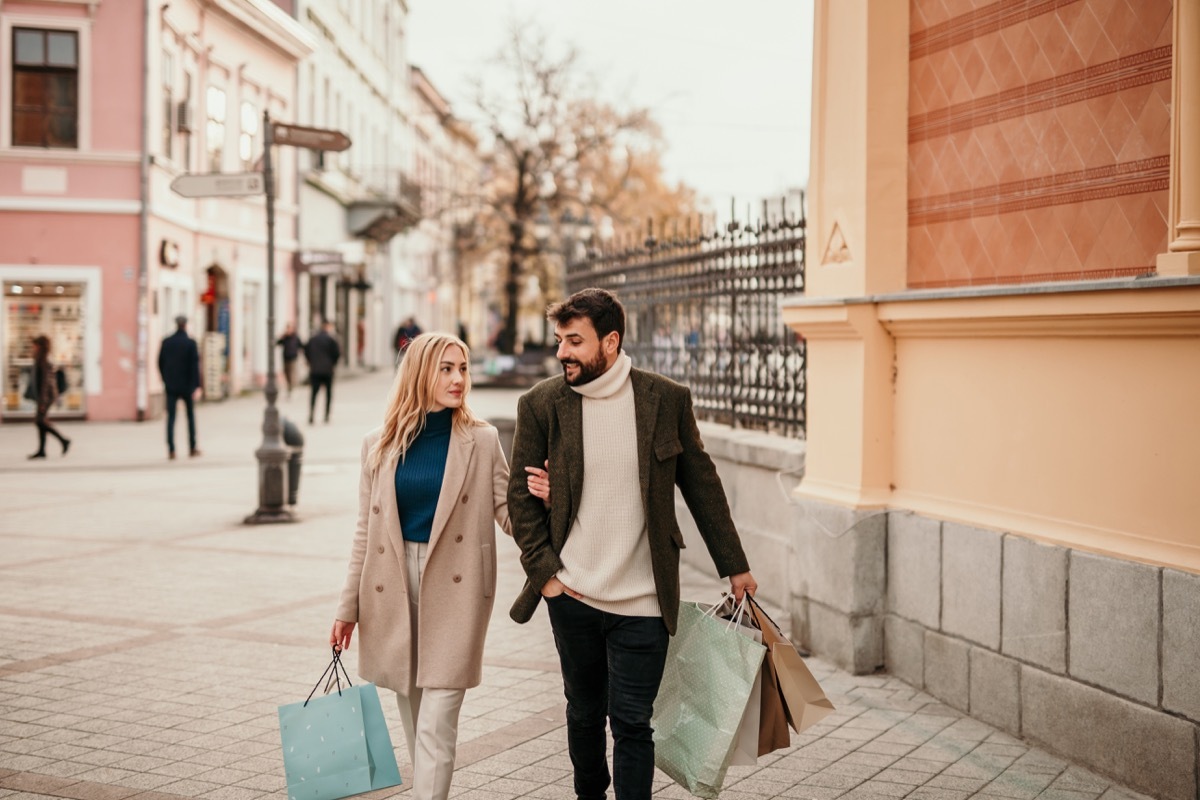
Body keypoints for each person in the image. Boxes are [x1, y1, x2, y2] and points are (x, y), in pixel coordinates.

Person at [506, 287, 757, 800]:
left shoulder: (665, 400)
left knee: (633, 722)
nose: (561, 353)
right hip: (571, 593)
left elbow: (702, 486)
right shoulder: (542, 405)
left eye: (574, 341)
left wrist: (735, 567)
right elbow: (519, 499)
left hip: (645, 596)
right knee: (582, 710)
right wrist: (548, 575)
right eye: (559, 341)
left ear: (611, 341)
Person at [329, 332, 550, 800]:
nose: (458, 379)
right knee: (415, 720)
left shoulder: (483, 440)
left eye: (463, 368)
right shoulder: (379, 444)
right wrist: (347, 606)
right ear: (419, 374)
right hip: (391, 585)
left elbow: (508, 515)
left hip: (457, 587)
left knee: (437, 720)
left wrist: (546, 501)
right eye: (446, 369)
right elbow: (364, 532)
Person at [158, 315, 202, 460]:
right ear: (185, 325)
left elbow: (160, 363)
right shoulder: (190, 343)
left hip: (171, 385)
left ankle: (171, 449)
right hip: (187, 386)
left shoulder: (167, 342)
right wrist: (197, 385)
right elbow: (195, 366)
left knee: (171, 418)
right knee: (190, 417)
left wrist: (165, 379)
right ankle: (192, 447)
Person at [26, 335, 70, 459]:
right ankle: (42, 450)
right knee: (41, 422)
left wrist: (42, 401)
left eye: (34, 345)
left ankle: (63, 440)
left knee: (40, 421)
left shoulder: (43, 359)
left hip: (45, 396)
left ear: (39, 346)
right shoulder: (40, 358)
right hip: (44, 396)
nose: (33, 347)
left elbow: (45, 382)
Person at [304, 320, 341, 424]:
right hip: (327, 371)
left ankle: (311, 415)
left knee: (314, 394)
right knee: (328, 394)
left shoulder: (313, 339)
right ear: (328, 327)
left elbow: (306, 350)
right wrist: (332, 364)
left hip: (315, 370)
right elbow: (337, 354)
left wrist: (311, 361)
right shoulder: (331, 340)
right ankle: (326, 415)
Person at [275, 322, 303, 398]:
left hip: (293, 358)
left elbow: (301, 346)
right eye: (288, 328)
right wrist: (281, 337)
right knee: (286, 374)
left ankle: (291, 389)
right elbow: (277, 343)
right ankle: (289, 387)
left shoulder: (296, 337)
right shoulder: (285, 337)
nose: (289, 330)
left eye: (290, 328)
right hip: (285, 358)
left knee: (292, 374)